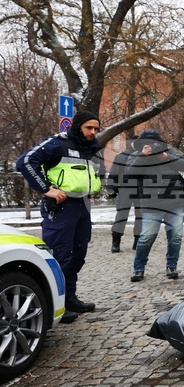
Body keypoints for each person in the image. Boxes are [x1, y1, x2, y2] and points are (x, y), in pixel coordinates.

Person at [16, 110, 104, 322]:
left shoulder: (90, 148)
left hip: (82, 206)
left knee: (77, 255)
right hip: (60, 207)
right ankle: (56, 305)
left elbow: (93, 172)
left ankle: (69, 298)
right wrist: (46, 189)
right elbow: (25, 161)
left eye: (96, 128)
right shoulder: (57, 143)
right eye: (88, 128)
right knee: (61, 255)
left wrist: (94, 186)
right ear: (77, 126)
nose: (93, 132)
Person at [127, 130, 184, 282]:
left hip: (174, 202)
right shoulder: (137, 155)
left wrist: (167, 157)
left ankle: (171, 266)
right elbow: (129, 173)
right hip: (151, 204)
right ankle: (138, 269)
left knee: (175, 237)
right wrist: (143, 156)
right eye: (146, 144)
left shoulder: (169, 151)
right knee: (146, 237)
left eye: (154, 143)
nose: (151, 146)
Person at [108, 137, 142, 253]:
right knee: (122, 216)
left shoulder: (145, 156)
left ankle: (137, 243)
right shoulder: (121, 156)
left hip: (140, 190)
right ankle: (116, 243)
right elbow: (113, 174)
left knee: (140, 217)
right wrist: (111, 188)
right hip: (125, 189)